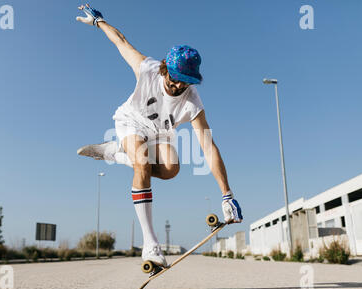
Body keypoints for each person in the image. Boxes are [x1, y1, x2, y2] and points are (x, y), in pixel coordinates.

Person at [76, 4, 242, 268]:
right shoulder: (148, 68)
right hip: (131, 122)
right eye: (173, 80)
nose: (177, 87)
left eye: (184, 83)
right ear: (165, 70)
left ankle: (115, 153)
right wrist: (100, 22)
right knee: (141, 163)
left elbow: (208, 147)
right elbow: (121, 41)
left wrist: (226, 194)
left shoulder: (192, 103)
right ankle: (150, 245)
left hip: (160, 133)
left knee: (170, 170)